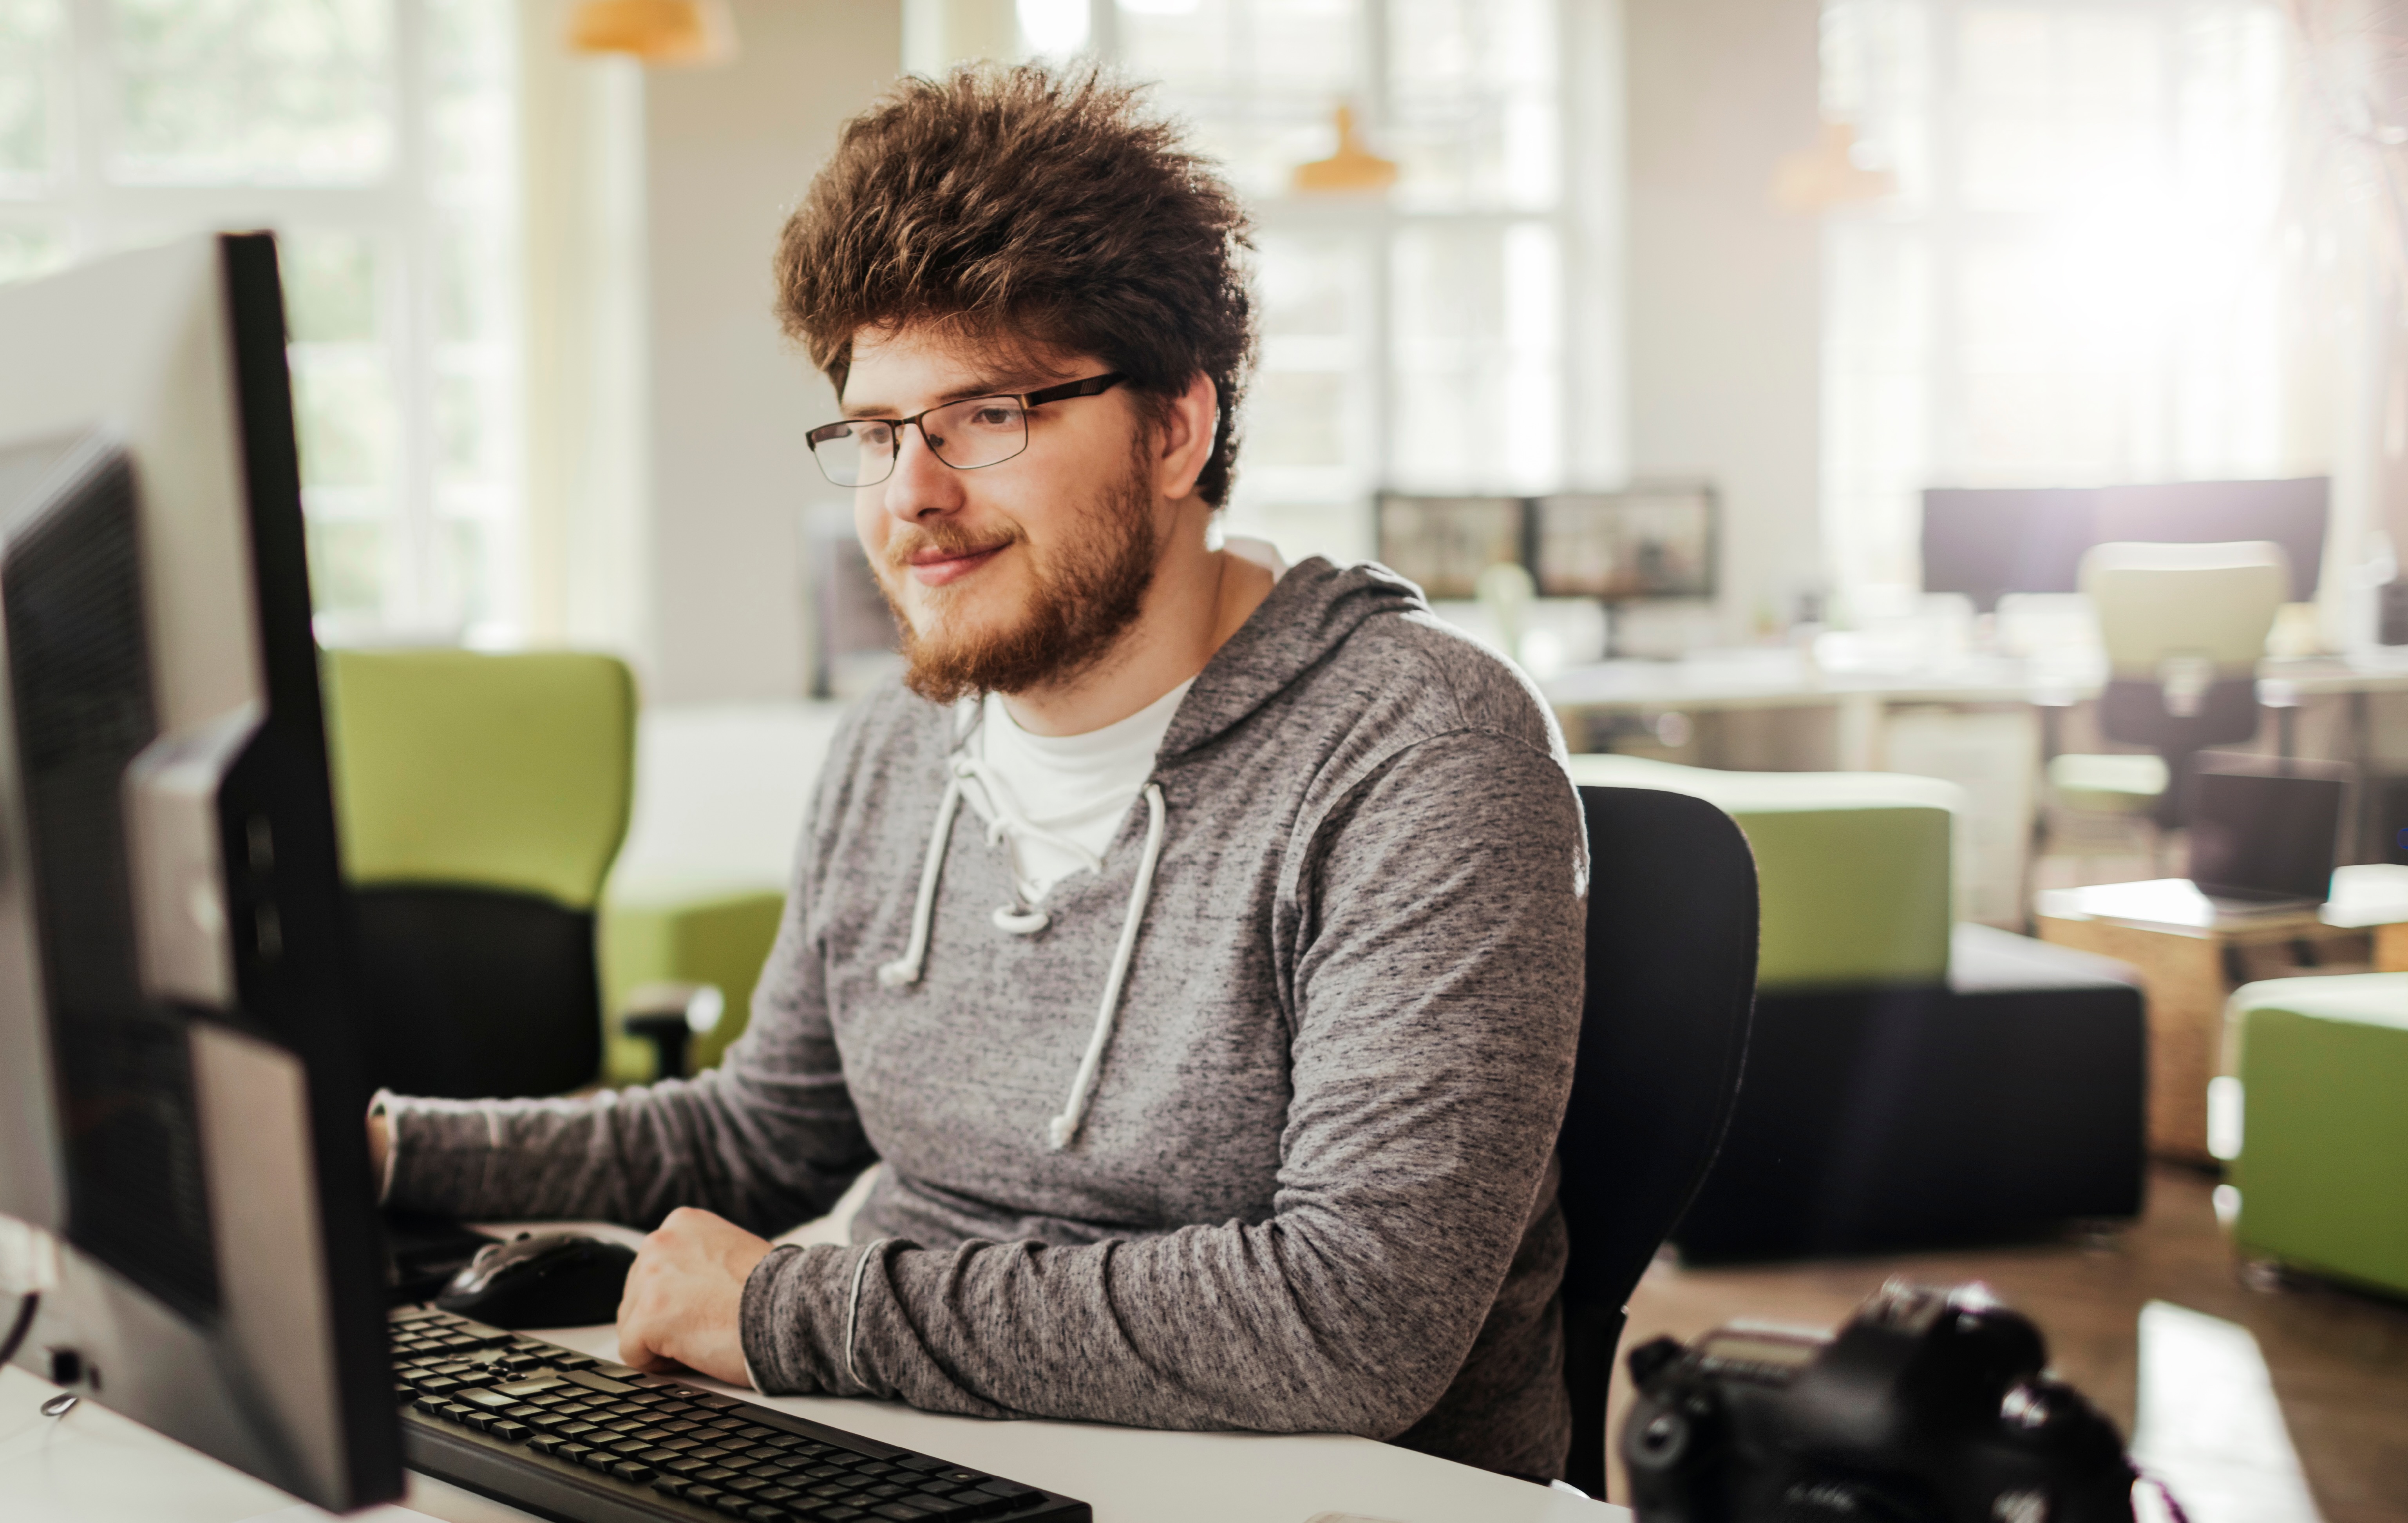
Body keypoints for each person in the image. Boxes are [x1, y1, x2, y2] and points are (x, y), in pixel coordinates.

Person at [371, 62, 1586, 1480]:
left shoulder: (1419, 750)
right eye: (877, 431)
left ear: (1175, 430)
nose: (911, 495)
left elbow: (1355, 1321)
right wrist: (385, 1150)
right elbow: (769, 1135)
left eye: (987, 416)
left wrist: (786, 1311)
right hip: (910, 1457)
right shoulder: (895, 742)